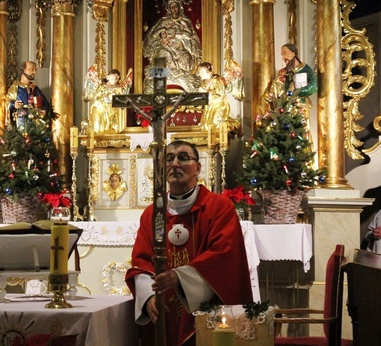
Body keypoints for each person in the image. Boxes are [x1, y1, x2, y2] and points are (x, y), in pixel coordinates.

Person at [125, 140, 253, 346]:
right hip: (162, 311)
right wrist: (148, 296)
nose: (175, 163)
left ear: (198, 168)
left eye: (183, 158)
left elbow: (225, 257)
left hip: (207, 311)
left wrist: (179, 276)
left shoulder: (218, 207)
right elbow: (141, 260)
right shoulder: (153, 213)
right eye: (169, 158)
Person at [142, 0, 201, 93]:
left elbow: (191, 37)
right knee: (162, 55)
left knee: (186, 59)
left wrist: (179, 35)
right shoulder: (163, 21)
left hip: (181, 50)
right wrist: (163, 34)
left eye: (176, 6)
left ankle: (176, 76)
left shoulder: (185, 21)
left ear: (180, 7)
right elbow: (152, 37)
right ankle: (165, 76)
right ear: (169, 9)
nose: (174, 9)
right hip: (165, 49)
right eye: (172, 7)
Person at [83, 65, 133, 134]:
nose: (114, 80)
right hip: (100, 111)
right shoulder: (101, 87)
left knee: (112, 130)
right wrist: (107, 97)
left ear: (118, 79)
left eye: (116, 79)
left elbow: (122, 103)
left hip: (111, 112)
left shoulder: (118, 89)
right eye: (112, 78)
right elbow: (96, 98)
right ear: (108, 77)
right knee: (99, 130)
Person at [5, 61, 50, 131]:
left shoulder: (34, 88)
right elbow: (7, 102)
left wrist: (44, 110)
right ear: (23, 70)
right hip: (21, 121)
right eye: (32, 69)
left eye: (35, 70)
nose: (34, 72)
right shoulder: (15, 87)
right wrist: (14, 104)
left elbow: (45, 103)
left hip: (35, 122)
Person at [197, 62, 231, 131]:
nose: (199, 74)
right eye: (199, 72)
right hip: (209, 106)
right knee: (207, 126)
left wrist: (209, 94)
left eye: (201, 72)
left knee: (215, 125)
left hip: (218, 106)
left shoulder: (217, 81)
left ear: (208, 72)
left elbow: (220, 95)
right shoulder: (203, 83)